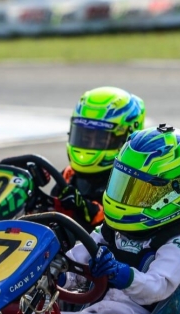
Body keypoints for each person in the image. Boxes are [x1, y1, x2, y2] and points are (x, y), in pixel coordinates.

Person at [33, 124, 180, 314]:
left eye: (142, 192)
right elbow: (75, 264)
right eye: (125, 186)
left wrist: (121, 274)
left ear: (176, 191)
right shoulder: (111, 230)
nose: (128, 198)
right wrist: (56, 272)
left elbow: (157, 287)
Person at [52, 86, 146, 232]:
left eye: (100, 139)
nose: (89, 144)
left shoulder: (131, 180)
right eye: (85, 136)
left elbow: (113, 218)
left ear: (126, 137)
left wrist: (82, 206)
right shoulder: (68, 175)